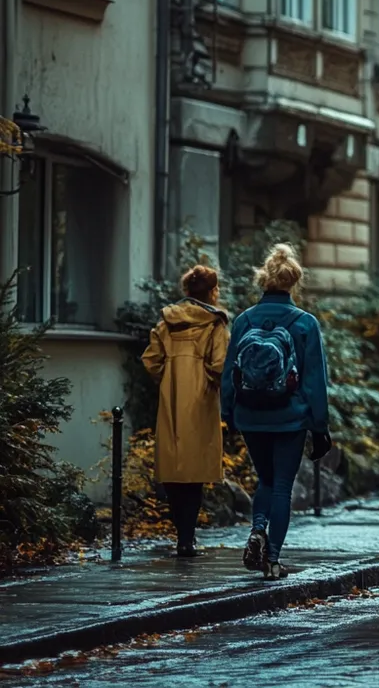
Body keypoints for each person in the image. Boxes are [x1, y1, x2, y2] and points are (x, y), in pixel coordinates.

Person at [221, 244, 331, 580]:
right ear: (293, 283)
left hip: (251, 415)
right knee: (282, 485)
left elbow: (228, 374)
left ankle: (257, 528)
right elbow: (315, 380)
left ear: (263, 281)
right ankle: (272, 560)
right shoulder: (305, 323)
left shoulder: (244, 320)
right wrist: (320, 426)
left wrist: (229, 414)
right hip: (290, 417)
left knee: (265, 480)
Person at [141, 265, 231, 558]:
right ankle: (187, 539)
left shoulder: (166, 323)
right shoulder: (215, 324)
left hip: (171, 398)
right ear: (212, 291)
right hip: (201, 401)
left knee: (174, 467)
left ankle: (180, 532)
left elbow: (151, 361)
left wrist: (169, 377)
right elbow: (220, 365)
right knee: (194, 472)